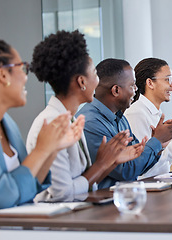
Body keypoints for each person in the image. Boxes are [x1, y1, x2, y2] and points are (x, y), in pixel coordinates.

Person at [0, 20, 84, 240]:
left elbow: (28, 183)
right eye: (22, 67)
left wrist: (53, 148)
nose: (26, 76)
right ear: (3, 75)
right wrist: (42, 150)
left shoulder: (6, 122)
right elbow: (2, 195)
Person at [26, 31, 146, 202]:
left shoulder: (71, 119)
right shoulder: (53, 123)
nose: (98, 82)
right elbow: (63, 194)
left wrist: (111, 160)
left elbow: (85, 182)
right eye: (95, 75)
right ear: (82, 82)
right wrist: (102, 164)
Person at [77, 58, 172, 189]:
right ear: (116, 90)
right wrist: (157, 141)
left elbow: (139, 163)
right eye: (132, 86)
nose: (136, 90)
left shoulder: (120, 118)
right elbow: (126, 171)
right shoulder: (91, 122)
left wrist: (159, 145)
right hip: (103, 202)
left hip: (124, 196)